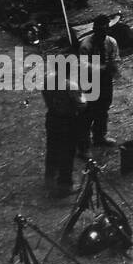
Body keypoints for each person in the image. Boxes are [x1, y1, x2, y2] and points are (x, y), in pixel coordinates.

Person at [43, 61, 87, 195]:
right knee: (67, 153)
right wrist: (83, 95)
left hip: (52, 118)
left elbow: (44, 95)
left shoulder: (48, 79)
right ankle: (65, 185)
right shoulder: (70, 85)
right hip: (67, 122)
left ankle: (49, 177)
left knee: (52, 148)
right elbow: (81, 106)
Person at [77, 15, 120, 148]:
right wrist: (102, 68)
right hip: (90, 81)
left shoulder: (111, 42)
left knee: (103, 109)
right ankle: (83, 142)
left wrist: (114, 68)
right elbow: (84, 66)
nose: (102, 32)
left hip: (106, 81)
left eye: (105, 29)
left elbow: (115, 58)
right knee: (88, 112)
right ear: (94, 29)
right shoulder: (86, 45)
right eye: (100, 29)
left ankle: (99, 136)